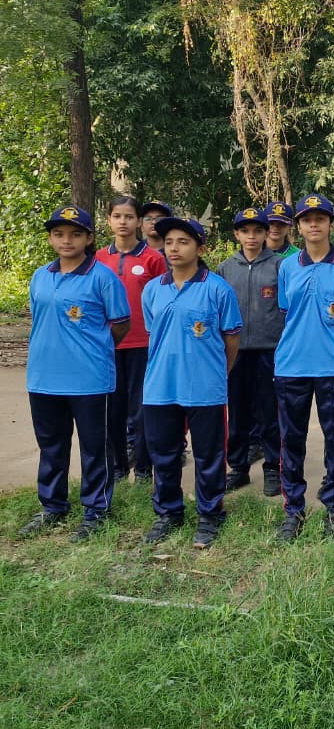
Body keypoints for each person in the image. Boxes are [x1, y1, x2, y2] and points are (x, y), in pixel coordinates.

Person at [20, 206, 130, 542]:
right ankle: (52, 506)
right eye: (59, 234)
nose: (66, 240)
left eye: (75, 234)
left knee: (95, 447)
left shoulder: (102, 277)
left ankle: (96, 510)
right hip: (43, 377)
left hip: (90, 379)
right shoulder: (40, 276)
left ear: (89, 238)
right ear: (51, 239)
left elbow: (121, 325)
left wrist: (93, 350)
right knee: (51, 445)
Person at [140, 217, 242, 549]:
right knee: (164, 454)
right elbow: (154, 333)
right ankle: (168, 513)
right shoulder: (153, 290)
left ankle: (210, 515)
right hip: (160, 386)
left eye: (183, 242)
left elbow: (231, 340)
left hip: (204, 387)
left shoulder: (218, 289)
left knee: (209, 455)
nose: (174, 248)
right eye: (169, 241)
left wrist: (218, 373)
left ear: (201, 248)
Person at [273, 194, 334, 542]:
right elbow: (287, 312)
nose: (313, 225)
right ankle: (293, 511)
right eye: (306, 219)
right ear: (298, 226)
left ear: (330, 225)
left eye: (320, 219)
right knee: (291, 439)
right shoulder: (287, 267)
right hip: (292, 364)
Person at [95, 195, 167, 484]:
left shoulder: (153, 258)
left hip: (143, 345)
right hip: (108, 344)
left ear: (138, 222)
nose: (122, 222)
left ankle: (144, 470)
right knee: (113, 409)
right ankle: (117, 468)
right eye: (117, 216)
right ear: (109, 220)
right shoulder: (98, 258)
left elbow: (163, 300)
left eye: (129, 216)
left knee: (142, 410)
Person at [217, 207, 285, 497]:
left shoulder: (280, 266)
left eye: (258, 230)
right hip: (236, 352)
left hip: (269, 350)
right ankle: (239, 468)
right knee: (238, 412)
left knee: (270, 412)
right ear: (236, 234)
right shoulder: (225, 268)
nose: (252, 236)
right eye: (245, 231)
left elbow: (288, 309)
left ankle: (272, 468)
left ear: (266, 233)